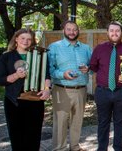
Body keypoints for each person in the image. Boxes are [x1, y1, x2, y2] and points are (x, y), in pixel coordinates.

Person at [0, 28, 51, 151]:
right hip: (14, 101)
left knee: (34, 136)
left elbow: (47, 75)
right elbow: (0, 80)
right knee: (17, 136)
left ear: (32, 41)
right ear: (16, 39)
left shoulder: (40, 55)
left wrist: (47, 89)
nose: (25, 41)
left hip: (35, 100)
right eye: (22, 38)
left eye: (29, 39)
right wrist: (16, 75)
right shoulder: (6, 57)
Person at [89, 21, 122, 151]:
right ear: (107, 32)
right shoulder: (99, 48)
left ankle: (118, 148)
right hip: (102, 92)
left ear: (121, 32)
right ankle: (102, 148)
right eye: (112, 30)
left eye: (117, 31)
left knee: (120, 122)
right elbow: (93, 66)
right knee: (103, 122)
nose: (114, 33)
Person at [48, 21, 92, 151]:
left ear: (78, 31)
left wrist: (88, 69)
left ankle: (75, 147)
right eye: (69, 29)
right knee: (61, 121)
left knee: (77, 121)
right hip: (62, 89)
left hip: (81, 90)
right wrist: (63, 74)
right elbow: (50, 70)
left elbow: (94, 67)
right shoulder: (54, 47)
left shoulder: (86, 48)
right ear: (64, 30)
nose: (72, 32)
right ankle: (59, 148)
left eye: (74, 30)